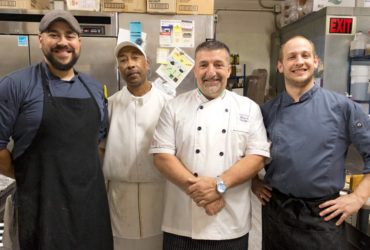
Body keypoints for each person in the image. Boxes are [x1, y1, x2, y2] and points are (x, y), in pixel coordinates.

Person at [0, 10, 113, 249]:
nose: (63, 42)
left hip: (89, 208)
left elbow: (96, 141)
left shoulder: (94, 88)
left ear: (79, 42)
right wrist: (28, 175)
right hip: (41, 208)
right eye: (54, 34)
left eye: (70, 35)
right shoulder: (15, 85)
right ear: (40, 40)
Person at [149, 40, 270, 249]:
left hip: (231, 223)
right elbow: (162, 157)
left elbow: (257, 158)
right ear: (195, 70)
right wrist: (205, 196)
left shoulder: (248, 108)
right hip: (182, 223)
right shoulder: (174, 107)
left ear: (229, 69)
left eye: (218, 64)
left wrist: (219, 186)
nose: (210, 72)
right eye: (203, 65)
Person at [252, 35, 370, 250]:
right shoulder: (266, 111)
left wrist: (358, 198)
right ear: (280, 66)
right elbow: (248, 153)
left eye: (305, 55)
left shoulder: (342, 107)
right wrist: (254, 182)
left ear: (316, 62)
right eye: (292, 57)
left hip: (323, 215)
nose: (299, 62)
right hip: (277, 213)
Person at [100, 39, 172, 249]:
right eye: (123, 60)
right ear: (118, 68)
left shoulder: (167, 104)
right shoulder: (110, 104)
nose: (130, 64)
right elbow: (101, 148)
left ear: (147, 63)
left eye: (135, 57)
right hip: (119, 195)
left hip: (159, 191)